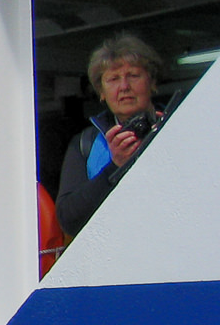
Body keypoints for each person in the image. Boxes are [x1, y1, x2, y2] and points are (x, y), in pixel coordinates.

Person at [56, 33, 168, 237]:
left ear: (151, 82)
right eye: (113, 79)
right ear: (102, 92)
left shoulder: (178, 124)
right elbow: (69, 220)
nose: (124, 87)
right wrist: (115, 167)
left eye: (133, 75)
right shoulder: (85, 144)